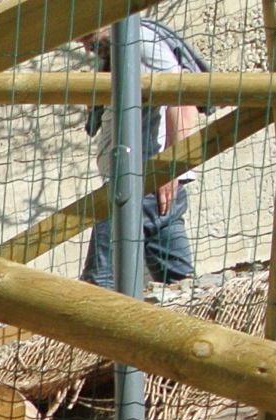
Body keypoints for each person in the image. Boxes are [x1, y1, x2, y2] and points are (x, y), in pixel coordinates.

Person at [81, 15, 209, 288]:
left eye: (85, 33)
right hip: (148, 182)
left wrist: (170, 168)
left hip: (140, 183)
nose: (82, 45)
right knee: (179, 283)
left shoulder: (138, 40)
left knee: (98, 282)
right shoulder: (121, 46)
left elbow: (182, 98)